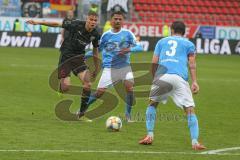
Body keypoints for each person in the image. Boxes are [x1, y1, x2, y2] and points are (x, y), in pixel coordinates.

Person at [138, 21, 206, 150]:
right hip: (179, 78)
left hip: (162, 77)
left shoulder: (161, 42)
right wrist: (195, 81)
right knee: (189, 110)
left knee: (152, 104)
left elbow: (154, 62)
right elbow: (192, 64)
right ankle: (195, 142)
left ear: (171, 30)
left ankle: (149, 135)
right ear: (184, 32)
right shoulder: (189, 44)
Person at [26, 11, 100, 121]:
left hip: (79, 58)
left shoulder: (96, 34)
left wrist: (96, 67)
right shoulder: (76, 24)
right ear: (87, 19)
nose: (92, 22)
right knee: (66, 88)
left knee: (88, 84)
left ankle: (81, 114)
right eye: (91, 19)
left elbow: (95, 51)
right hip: (66, 56)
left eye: (95, 20)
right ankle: (60, 88)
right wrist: (38, 22)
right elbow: (57, 24)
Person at [81, 11, 143, 122]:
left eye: (120, 19)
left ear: (123, 21)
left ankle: (128, 116)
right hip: (109, 67)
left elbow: (140, 47)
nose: (118, 21)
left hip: (124, 66)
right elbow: (98, 50)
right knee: (99, 92)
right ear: (111, 21)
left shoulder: (128, 34)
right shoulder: (106, 36)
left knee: (129, 88)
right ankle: (82, 110)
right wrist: (85, 55)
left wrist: (129, 49)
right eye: (115, 19)